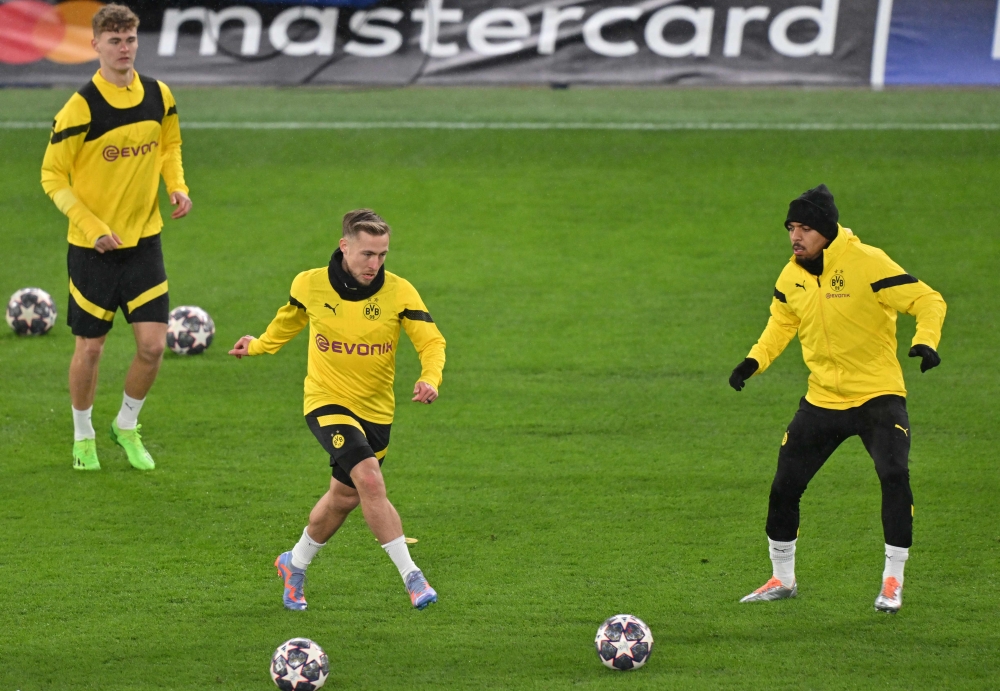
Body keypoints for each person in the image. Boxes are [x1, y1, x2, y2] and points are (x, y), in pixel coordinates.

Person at [729, 184, 946, 613]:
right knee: (784, 487)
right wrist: (753, 362)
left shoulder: (867, 261)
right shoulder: (790, 275)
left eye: (806, 228)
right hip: (823, 399)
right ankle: (781, 579)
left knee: (894, 475)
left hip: (877, 395)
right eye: (792, 227)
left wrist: (925, 340)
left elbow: (927, 299)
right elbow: (780, 324)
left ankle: (892, 582)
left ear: (827, 231)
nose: (796, 236)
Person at [230, 209, 446, 611]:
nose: (375, 264)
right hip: (326, 401)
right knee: (369, 479)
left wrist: (430, 377)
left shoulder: (399, 292)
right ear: (344, 246)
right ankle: (413, 577)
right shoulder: (309, 284)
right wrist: (258, 344)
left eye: (382, 255)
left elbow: (432, 342)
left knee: (344, 498)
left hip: (377, 411)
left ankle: (294, 563)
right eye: (367, 254)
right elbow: (288, 322)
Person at [40, 4, 192, 472]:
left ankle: (125, 425)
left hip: (145, 243)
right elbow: (52, 176)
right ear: (96, 46)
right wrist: (92, 227)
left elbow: (169, 144)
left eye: (130, 40)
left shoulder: (158, 94)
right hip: (93, 251)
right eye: (114, 41)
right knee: (91, 347)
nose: (123, 49)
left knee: (152, 346)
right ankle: (83, 435)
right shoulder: (80, 107)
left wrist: (177, 185)